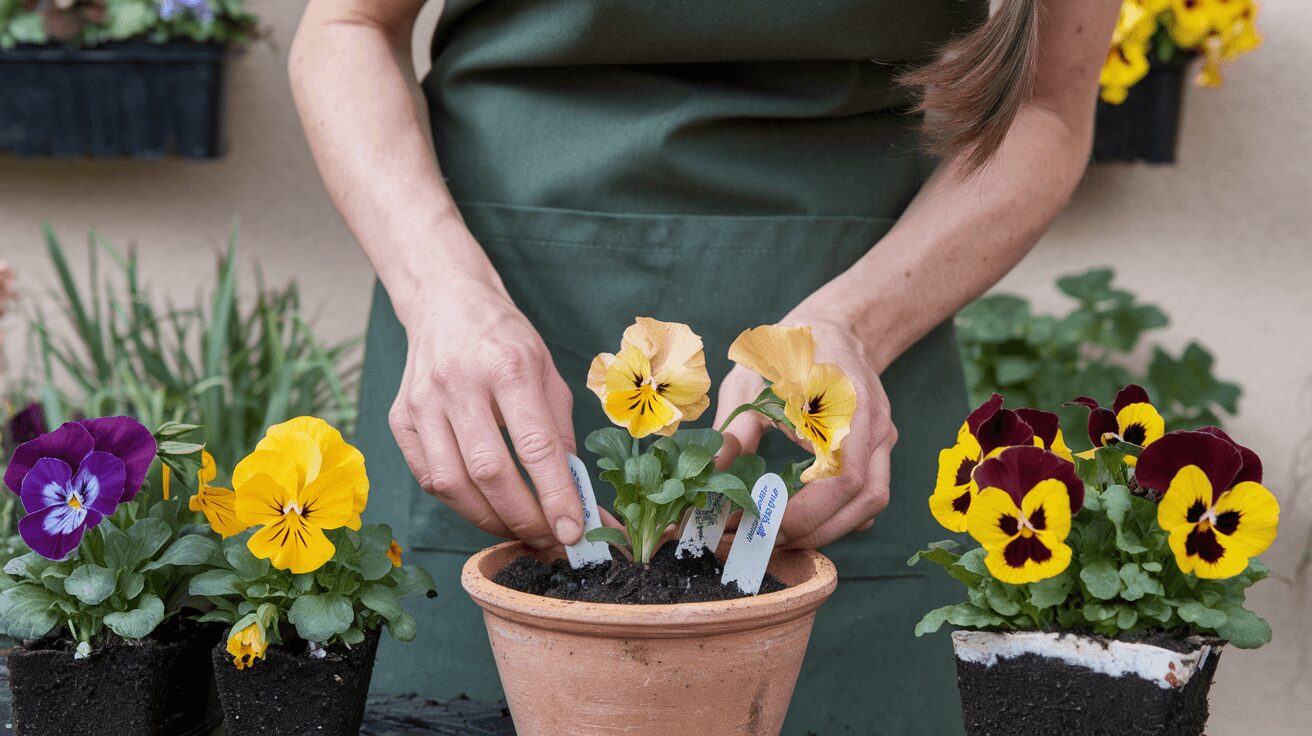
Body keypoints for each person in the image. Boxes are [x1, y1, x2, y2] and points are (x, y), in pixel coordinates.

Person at [290, 0, 1120, 732]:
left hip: (852, 350)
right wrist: (440, 291)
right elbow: (347, 26)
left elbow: (1048, 104)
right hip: (489, 319)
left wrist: (857, 326)